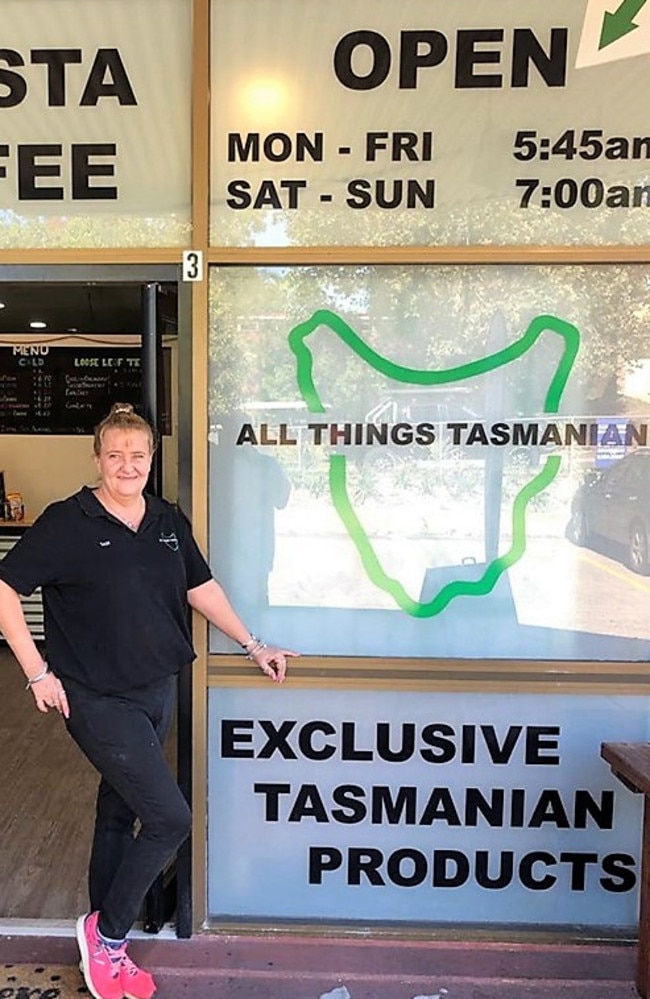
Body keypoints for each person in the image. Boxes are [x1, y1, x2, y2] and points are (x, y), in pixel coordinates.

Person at [0, 402, 297, 999]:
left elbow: (200, 587)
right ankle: (106, 935)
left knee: (119, 808)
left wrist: (252, 643)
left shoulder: (165, 519)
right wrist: (36, 673)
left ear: (151, 459)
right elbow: (5, 589)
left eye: (138, 455)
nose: (126, 465)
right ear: (98, 458)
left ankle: (101, 938)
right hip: (95, 697)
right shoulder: (68, 521)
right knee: (169, 818)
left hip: (157, 687)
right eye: (115, 455)